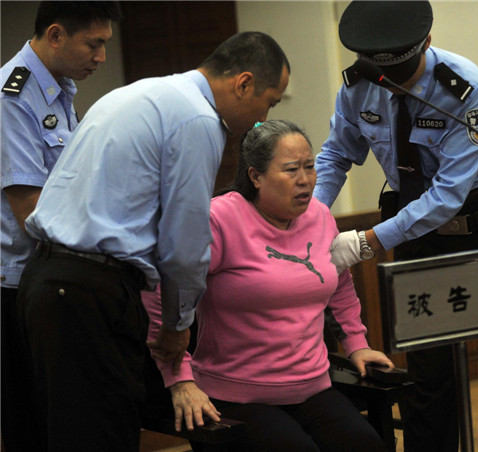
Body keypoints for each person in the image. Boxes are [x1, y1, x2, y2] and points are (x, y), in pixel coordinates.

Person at [15, 31, 290, 451]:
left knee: (59, 434)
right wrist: (179, 325)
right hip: (92, 289)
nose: (262, 117)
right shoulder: (198, 119)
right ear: (244, 83)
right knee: (102, 436)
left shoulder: (137, 95)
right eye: (269, 101)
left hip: (44, 281)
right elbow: (185, 243)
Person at [314, 2, 478, 452]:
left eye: (402, 72)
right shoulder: (360, 86)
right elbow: (337, 156)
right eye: (381, 71)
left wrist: (366, 242)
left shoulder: (465, 86)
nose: (391, 82)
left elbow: (449, 193)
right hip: (415, 228)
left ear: (427, 45)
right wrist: (309, 221)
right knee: (426, 372)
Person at [142, 119, 394, 452]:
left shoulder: (319, 215)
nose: (305, 180)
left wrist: (356, 342)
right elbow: (162, 291)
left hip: (312, 386)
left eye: (310, 167)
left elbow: (338, 280)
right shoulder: (219, 219)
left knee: (366, 445)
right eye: (291, 170)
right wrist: (179, 381)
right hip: (234, 393)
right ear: (255, 175)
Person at [0, 2, 121, 450]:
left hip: (56, 277)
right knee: (31, 423)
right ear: (55, 35)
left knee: (67, 418)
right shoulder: (12, 97)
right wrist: (106, 245)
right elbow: (31, 210)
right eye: (94, 44)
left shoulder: (59, 88)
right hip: (16, 285)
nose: (101, 57)